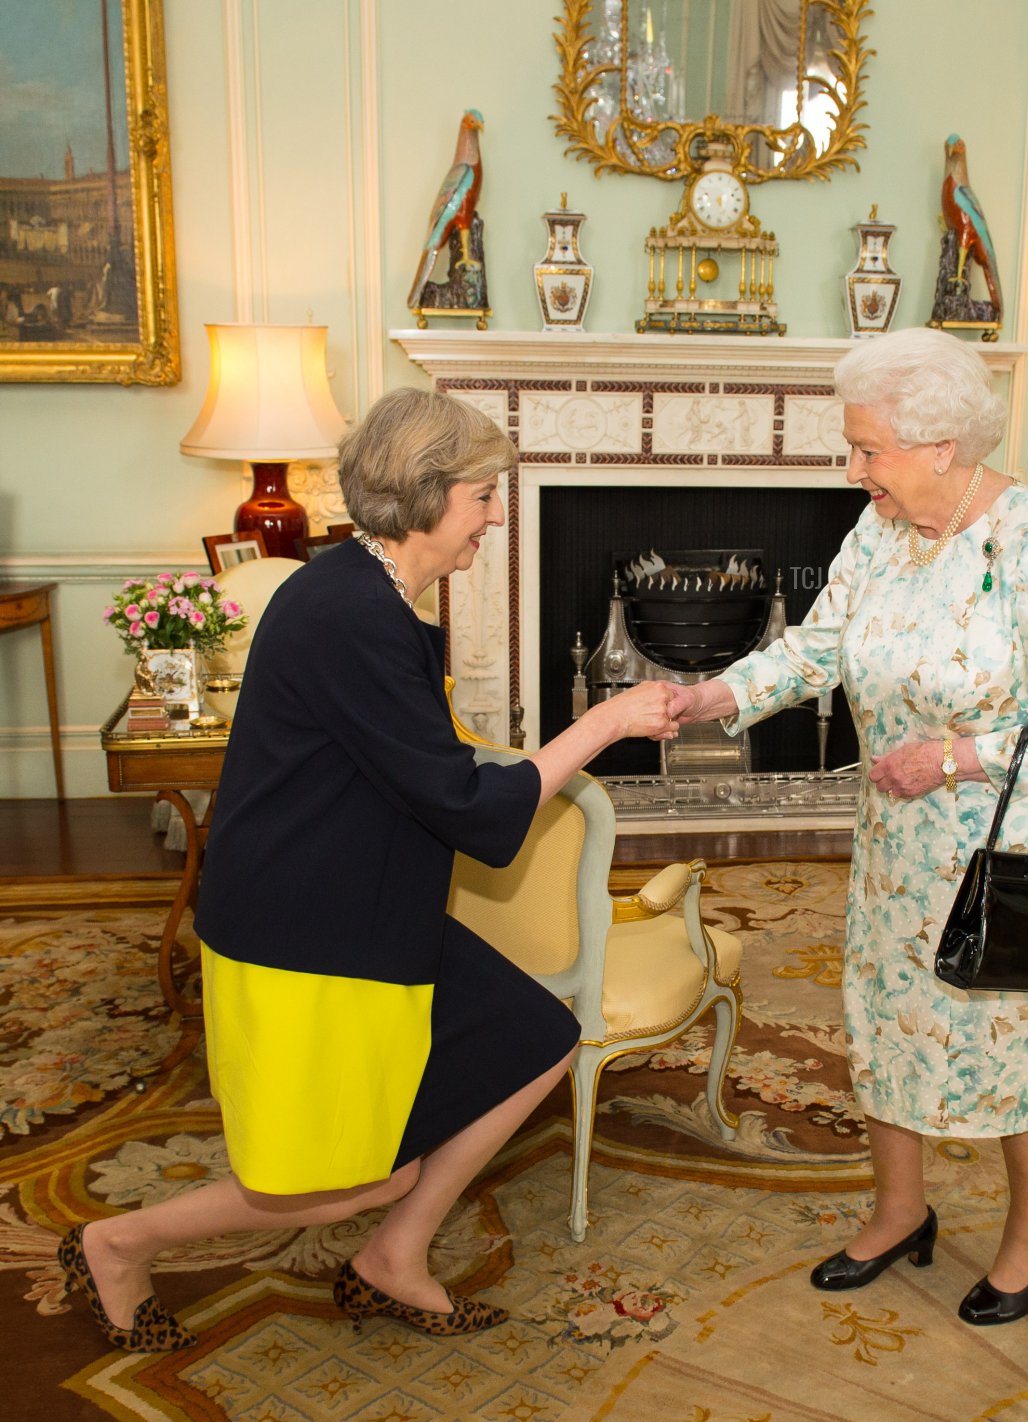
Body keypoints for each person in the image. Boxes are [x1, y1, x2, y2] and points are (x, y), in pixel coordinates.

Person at [57, 389, 678, 1353]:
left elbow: (424, 764)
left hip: (371, 898)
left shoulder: (370, 590)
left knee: (536, 1034)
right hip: (307, 929)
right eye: (482, 496)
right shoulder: (351, 611)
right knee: (358, 1174)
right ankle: (117, 1240)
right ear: (427, 497)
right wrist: (602, 723)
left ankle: (394, 1257)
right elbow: (470, 812)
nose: (497, 514)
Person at [662, 327, 1028, 1327]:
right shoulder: (876, 534)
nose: (854, 469)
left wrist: (953, 757)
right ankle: (899, 1210)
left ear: (939, 449)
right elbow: (815, 650)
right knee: (888, 1019)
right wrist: (711, 698)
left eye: (868, 449)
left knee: (1010, 1033)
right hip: (897, 844)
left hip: (1006, 846)